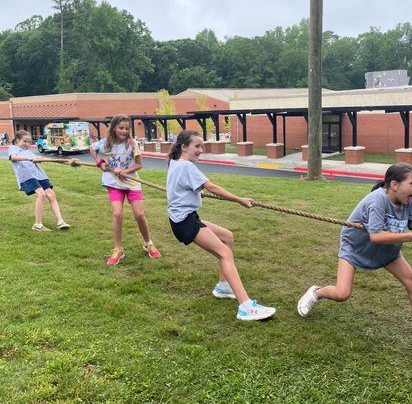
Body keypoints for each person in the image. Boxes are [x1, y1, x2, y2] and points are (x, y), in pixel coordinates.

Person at [297, 163, 412, 362]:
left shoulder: (408, 203)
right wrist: (411, 237)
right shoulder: (377, 200)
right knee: (342, 293)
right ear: (395, 184)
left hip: (387, 249)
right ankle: (316, 292)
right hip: (356, 247)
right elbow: (376, 236)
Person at [166, 130, 276, 321]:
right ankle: (245, 306)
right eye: (197, 146)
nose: (201, 150)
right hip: (184, 221)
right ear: (184, 147)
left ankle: (223, 286)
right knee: (225, 254)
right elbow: (213, 187)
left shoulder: (175, 163)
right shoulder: (187, 167)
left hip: (185, 217)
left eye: (202, 146)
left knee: (227, 237)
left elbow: (184, 187)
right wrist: (239, 200)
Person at [90, 114, 161, 265]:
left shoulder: (131, 143)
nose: (124, 131)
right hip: (113, 183)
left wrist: (126, 172)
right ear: (114, 128)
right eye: (121, 128)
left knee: (140, 215)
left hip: (131, 183)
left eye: (127, 128)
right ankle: (117, 250)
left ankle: (148, 243)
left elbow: (139, 164)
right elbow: (91, 148)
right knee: (117, 214)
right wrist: (100, 163)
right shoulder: (105, 144)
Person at [8, 130, 70, 232]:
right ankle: (37, 225)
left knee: (51, 195)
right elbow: (13, 158)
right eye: (25, 141)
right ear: (17, 140)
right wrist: (29, 158)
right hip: (27, 176)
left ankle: (60, 221)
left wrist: (40, 158)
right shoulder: (13, 148)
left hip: (40, 175)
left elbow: (37, 161)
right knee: (41, 194)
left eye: (29, 142)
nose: (27, 144)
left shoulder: (29, 151)